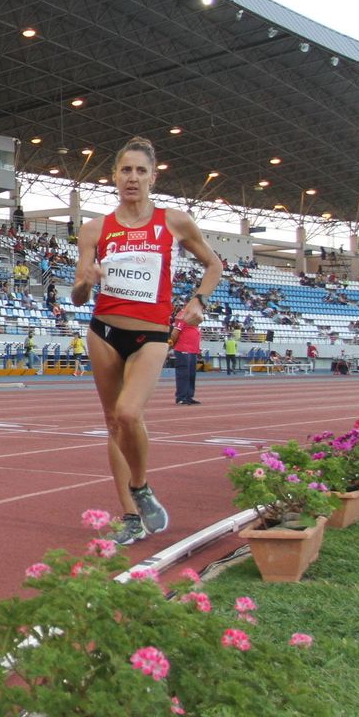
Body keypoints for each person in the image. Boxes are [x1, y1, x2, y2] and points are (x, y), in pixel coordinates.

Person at [71, 136, 221, 546]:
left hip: (151, 333)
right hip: (103, 331)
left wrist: (199, 300)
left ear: (153, 177)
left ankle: (140, 486)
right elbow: (78, 296)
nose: (132, 178)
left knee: (129, 413)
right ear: (114, 176)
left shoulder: (174, 221)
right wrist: (85, 282)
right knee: (112, 422)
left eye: (140, 171)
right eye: (126, 170)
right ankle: (131, 517)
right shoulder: (94, 229)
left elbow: (214, 265)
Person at [171, 313, 202, 405]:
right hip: (183, 349)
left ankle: (189, 396)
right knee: (183, 374)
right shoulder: (183, 315)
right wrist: (172, 345)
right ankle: (181, 397)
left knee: (191, 374)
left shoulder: (194, 317)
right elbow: (175, 333)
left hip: (193, 350)